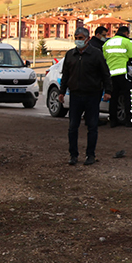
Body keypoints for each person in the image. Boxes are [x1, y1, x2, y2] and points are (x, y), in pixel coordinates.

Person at [57, 27, 112, 166]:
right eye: (76, 38)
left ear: (87, 39)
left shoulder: (96, 54)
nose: (78, 40)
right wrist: (61, 92)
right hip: (75, 95)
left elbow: (105, 74)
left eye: (80, 38)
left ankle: (90, 155)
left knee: (92, 126)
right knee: (72, 127)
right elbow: (66, 75)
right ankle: (73, 155)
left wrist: (108, 91)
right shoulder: (70, 55)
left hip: (92, 95)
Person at [102, 25, 132, 127]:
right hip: (123, 74)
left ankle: (113, 121)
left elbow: (104, 58)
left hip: (110, 75)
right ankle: (129, 120)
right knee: (128, 96)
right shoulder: (126, 42)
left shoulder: (107, 43)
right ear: (126, 33)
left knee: (113, 98)